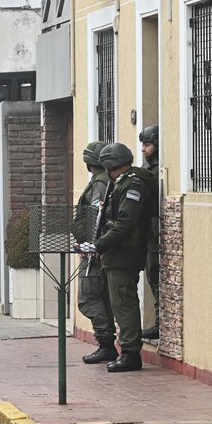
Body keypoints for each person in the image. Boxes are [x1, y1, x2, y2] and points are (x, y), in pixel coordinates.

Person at [95, 142, 154, 373]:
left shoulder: (133, 184)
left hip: (124, 253)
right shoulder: (121, 183)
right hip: (117, 253)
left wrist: (100, 244)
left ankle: (130, 353)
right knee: (120, 302)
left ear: (110, 165)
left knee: (124, 302)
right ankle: (128, 350)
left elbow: (126, 222)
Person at [72, 141, 117, 364]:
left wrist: (95, 245)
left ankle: (106, 343)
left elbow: (100, 216)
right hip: (94, 248)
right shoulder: (102, 182)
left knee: (88, 298)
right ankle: (107, 343)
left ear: (90, 163)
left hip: (94, 252)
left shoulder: (100, 185)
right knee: (100, 298)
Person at [139, 125, 160, 340]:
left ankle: (160, 321)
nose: (144, 149)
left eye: (148, 145)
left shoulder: (156, 170)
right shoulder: (147, 168)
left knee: (154, 273)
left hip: (156, 229)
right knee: (151, 273)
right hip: (148, 229)